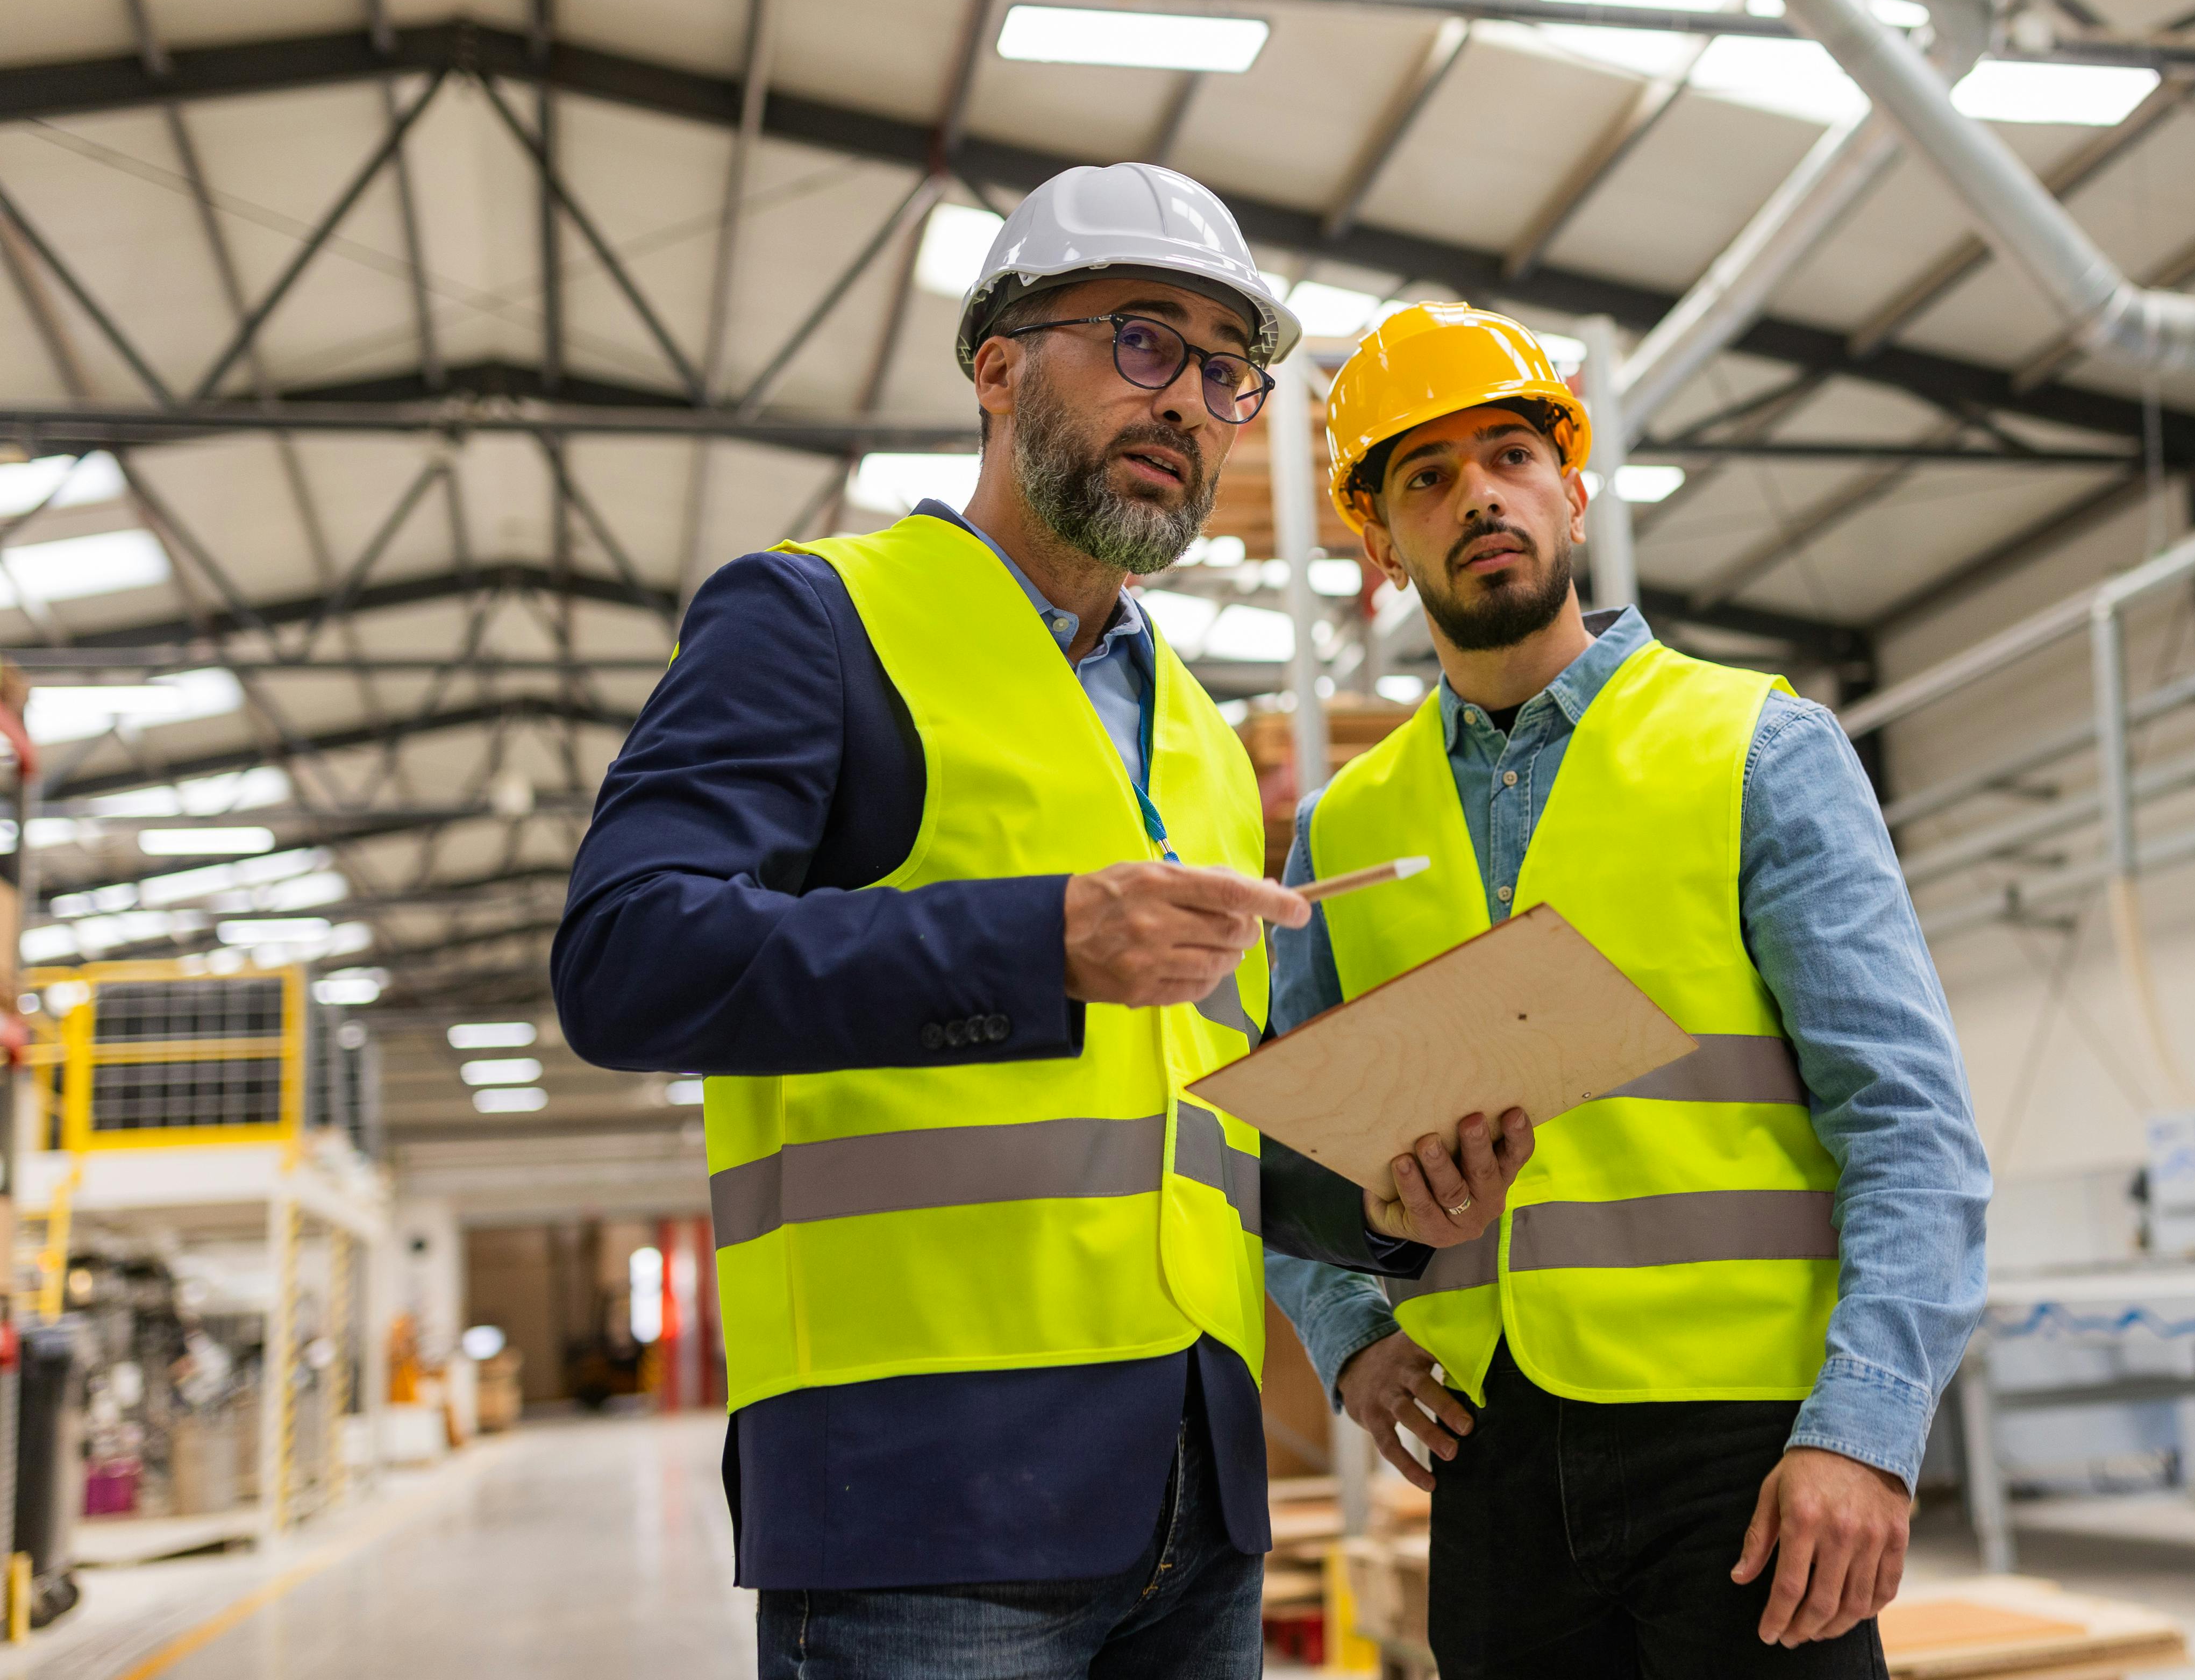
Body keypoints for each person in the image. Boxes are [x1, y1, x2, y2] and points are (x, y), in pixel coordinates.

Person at [553, 168, 1534, 1680]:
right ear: (998, 368)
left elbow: (1191, 1124)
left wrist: (1389, 1206)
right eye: (1143, 341)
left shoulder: (1202, 738)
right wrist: (1040, 945)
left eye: (1226, 371)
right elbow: (628, 960)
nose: (1189, 400)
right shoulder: (815, 623)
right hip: (920, 1495)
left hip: (1198, 1498)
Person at [1264, 303, 1987, 1678]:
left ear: (1573, 491)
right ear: (1381, 544)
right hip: (1491, 1459)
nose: (1479, 494)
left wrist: (1866, 1431)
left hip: (1748, 1451)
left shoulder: (1755, 749)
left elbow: (1907, 1121)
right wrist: (1350, 1338)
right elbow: (1294, 1158)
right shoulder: (1344, 830)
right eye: (1427, 475)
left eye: (1512, 455)